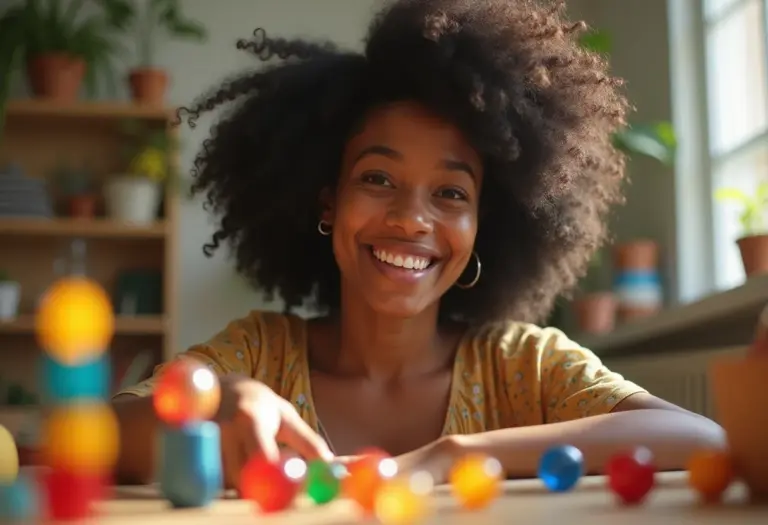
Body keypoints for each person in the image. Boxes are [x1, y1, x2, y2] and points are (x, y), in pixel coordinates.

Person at [112, 0, 725, 489]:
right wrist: (221, 401)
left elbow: (700, 439)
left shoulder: (523, 365)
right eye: (378, 179)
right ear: (328, 201)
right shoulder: (260, 354)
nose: (411, 219)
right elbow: (106, 432)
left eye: (451, 194)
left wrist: (452, 454)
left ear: (488, 221)